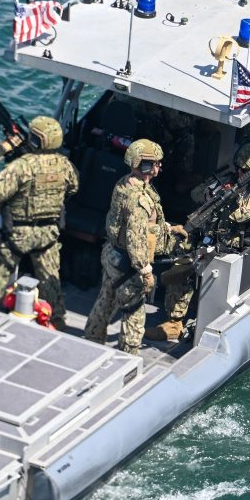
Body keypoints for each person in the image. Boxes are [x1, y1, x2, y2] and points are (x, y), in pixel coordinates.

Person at [146, 142, 250, 342]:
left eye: (244, 171)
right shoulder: (230, 181)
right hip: (206, 238)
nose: (239, 173)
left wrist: (230, 196)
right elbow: (196, 193)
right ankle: (173, 322)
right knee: (178, 258)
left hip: (230, 249)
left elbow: (242, 213)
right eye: (239, 169)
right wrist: (212, 194)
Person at [0, 115, 79, 328]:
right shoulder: (66, 166)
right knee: (51, 280)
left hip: (18, 234)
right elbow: (73, 187)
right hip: (48, 233)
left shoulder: (22, 166)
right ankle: (57, 319)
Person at [84, 139, 184, 354]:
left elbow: (129, 223)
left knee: (106, 298)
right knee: (134, 313)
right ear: (145, 165)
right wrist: (145, 271)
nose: (159, 167)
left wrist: (167, 228)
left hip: (112, 255)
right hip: (129, 264)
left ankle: (91, 339)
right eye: (156, 163)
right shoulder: (139, 199)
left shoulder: (125, 183)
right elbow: (136, 236)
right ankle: (128, 356)